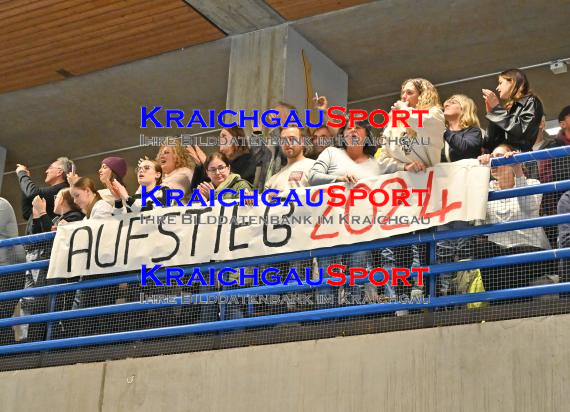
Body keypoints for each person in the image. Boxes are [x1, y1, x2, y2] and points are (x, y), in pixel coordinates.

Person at [309, 120, 396, 305]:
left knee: (355, 283)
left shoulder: (376, 165)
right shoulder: (331, 153)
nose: (353, 130)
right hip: (329, 232)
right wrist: (338, 179)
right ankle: (327, 325)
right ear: (342, 135)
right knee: (327, 284)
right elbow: (313, 177)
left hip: (360, 233)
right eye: (349, 127)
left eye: (359, 127)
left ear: (367, 135)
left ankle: (351, 327)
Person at [476, 144, 552, 290]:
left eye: (499, 157)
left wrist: (517, 169)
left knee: (511, 263)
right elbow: (479, 222)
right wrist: (480, 172)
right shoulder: (486, 189)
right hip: (500, 255)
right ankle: (497, 306)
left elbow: (528, 206)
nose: (494, 161)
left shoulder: (532, 183)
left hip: (531, 251)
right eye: (492, 157)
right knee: (483, 252)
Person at [197, 152, 253, 322]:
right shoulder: (204, 192)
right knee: (207, 303)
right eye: (212, 169)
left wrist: (213, 199)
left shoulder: (241, 186)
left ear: (229, 168)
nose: (218, 172)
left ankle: (235, 343)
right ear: (207, 173)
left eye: (221, 167)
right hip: (210, 258)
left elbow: (241, 218)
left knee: (231, 303)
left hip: (234, 257)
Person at [377, 78, 445, 173]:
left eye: (409, 93)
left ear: (422, 96)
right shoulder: (394, 124)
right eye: (403, 93)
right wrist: (404, 166)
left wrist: (404, 109)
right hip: (402, 184)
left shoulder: (435, 115)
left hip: (428, 180)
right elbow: (381, 161)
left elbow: (421, 121)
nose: (403, 96)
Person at [482, 68, 544, 153]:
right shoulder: (506, 109)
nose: (497, 88)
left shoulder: (531, 101)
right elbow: (489, 143)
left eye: (500, 83)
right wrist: (492, 115)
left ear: (512, 82)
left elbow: (523, 131)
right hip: (502, 158)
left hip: (521, 159)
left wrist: (496, 110)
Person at [15, 157, 73, 235]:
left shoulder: (64, 190)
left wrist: (22, 173)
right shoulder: (53, 192)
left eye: (50, 168)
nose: (46, 171)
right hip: (37, 242)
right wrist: (25, 184)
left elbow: (32, 193)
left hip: (49, 242)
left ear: (59, 172)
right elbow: (27, 213)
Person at [441, 94, 483, 162]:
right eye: (447, 102)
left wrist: (444, 130)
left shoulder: (473, 131)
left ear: (464, 109)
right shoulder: (438, 133)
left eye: (453, 102)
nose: (446, 104)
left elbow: (467, 150)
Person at [156, 138, 194, 203]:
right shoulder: (161, 178)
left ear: (177, 156)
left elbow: (168, 194)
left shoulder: (185, 173)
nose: (161, 156)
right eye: (160, 154)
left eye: (166, 152)